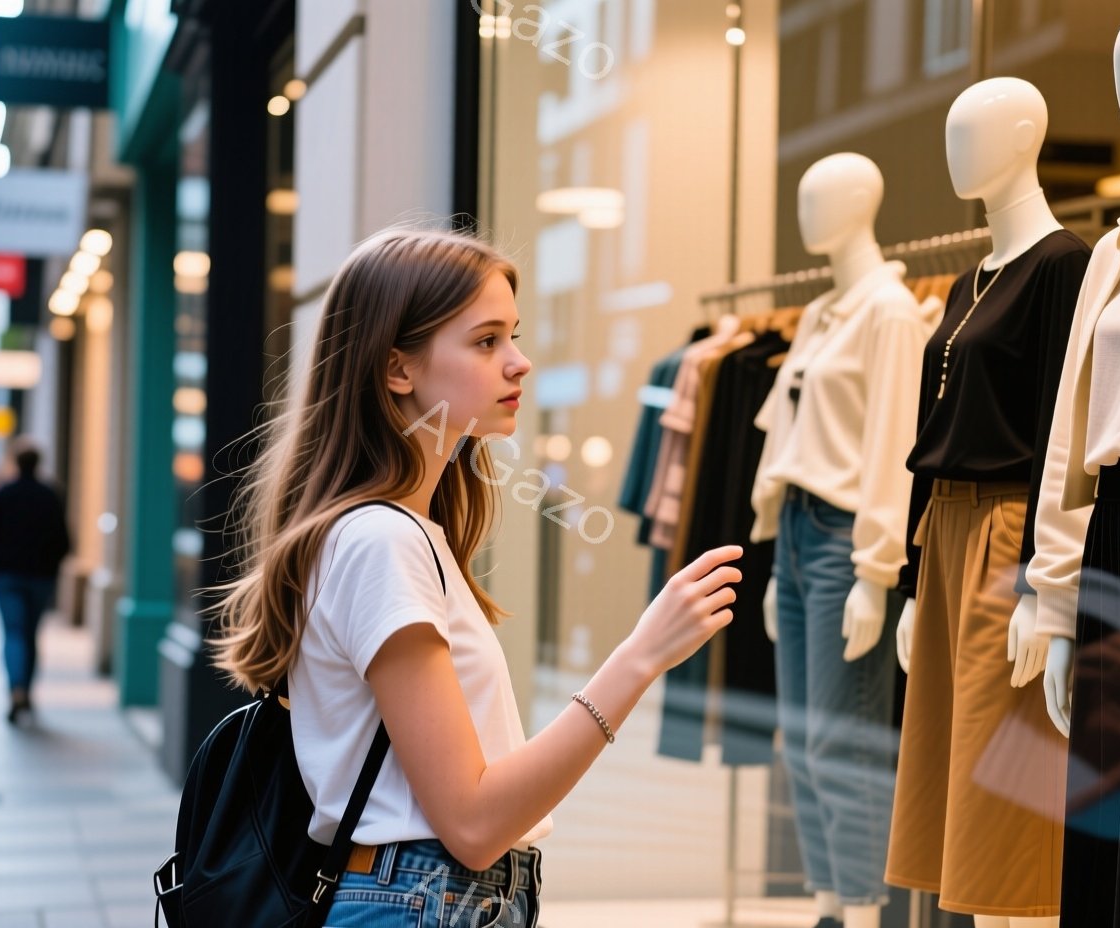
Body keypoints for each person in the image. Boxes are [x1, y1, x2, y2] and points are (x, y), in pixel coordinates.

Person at [208, 228, 742, 925]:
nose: (519, 363)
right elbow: (472, 821)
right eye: (487, 341)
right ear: (398, 369)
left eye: (513, 336)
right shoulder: (381, 541)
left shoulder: (404, 533)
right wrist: (641, 657)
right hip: (423, 900)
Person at [0, 442, 69, 724]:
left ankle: (16, 689)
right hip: (40, 577)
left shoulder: (4, 493)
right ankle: (26, 691)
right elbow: (63, 540)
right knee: (30, 635)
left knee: (14, 634)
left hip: (7, 575)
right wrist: (51, 567)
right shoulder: (49, 494)